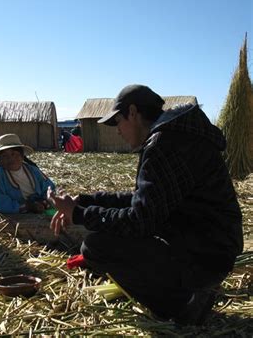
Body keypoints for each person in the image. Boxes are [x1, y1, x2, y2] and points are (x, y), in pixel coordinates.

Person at [48, 84, 243, 325]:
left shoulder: (165, 143)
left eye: (118, 122)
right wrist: (86, 201)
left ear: (133, 113)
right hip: (211, 246)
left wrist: (78, 215)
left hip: (206, 254)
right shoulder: (176, 136)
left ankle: (185, 304)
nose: (118, 131)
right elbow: (146, 201)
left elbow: (140, 222)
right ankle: (189, 293)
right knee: (103, 239)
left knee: (97, 246)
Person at [0, 133, 56, 214]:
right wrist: (28, 206)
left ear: (22, 156)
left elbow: (49, 187)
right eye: (5, 156)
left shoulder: (32, 169)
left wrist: (44, 202)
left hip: (40, 205)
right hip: (16, 211)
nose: (10, 159)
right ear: (0, 159)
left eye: (14, 154)